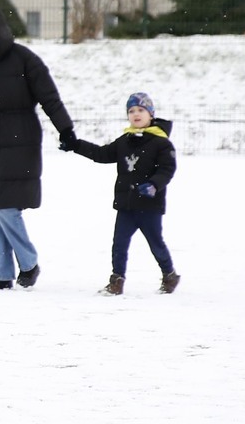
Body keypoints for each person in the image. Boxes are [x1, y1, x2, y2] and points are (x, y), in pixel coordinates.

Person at [0, 4, 75, 291]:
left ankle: (28, 262)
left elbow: (50, 97)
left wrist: (66, 129)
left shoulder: (24, 60)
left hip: (19, 139)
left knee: (7, 209)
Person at [63, 92, 179, 295]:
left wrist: (154, 185)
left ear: (151, 114)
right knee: (119, 244)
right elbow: (101, 154)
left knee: (155, 243)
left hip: (149, 206)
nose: (136, 114)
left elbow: (167, 170)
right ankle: (117, 280)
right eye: (131, 111)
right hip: (126, 205)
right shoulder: (125, 141)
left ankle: (169, 275)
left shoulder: (162, 143)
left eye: (141, 110)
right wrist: (76, 145)